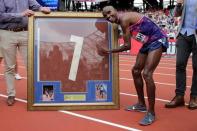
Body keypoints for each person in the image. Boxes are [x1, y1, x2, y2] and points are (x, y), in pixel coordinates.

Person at [100, 6, 168, 126]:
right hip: (147, 43)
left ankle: (151, 113)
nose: (109, 17)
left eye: (110, 13)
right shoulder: (122, 21)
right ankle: (141, 104)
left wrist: (109, 51)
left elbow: (127, 46)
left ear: (115, 10)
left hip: (157, 39)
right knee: (136, 71)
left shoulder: (124, 19)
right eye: (106, 17)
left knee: (147, 74)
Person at [0, 0, 51, 106]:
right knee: (10, 67)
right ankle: (11, 94)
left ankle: (34, 93)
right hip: (7, 33)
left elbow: (36, 6)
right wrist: (21, 14)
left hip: (26, 32)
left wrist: (42, 9)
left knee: (32, 65)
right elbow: (1, 16)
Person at [165, 0, 197, 110]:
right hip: (183, 33)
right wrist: (178, 4)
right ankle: (179, 96)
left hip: (195, 35)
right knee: (180, 64)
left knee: (196, 67)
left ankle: (194, 96)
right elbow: (176, 14)